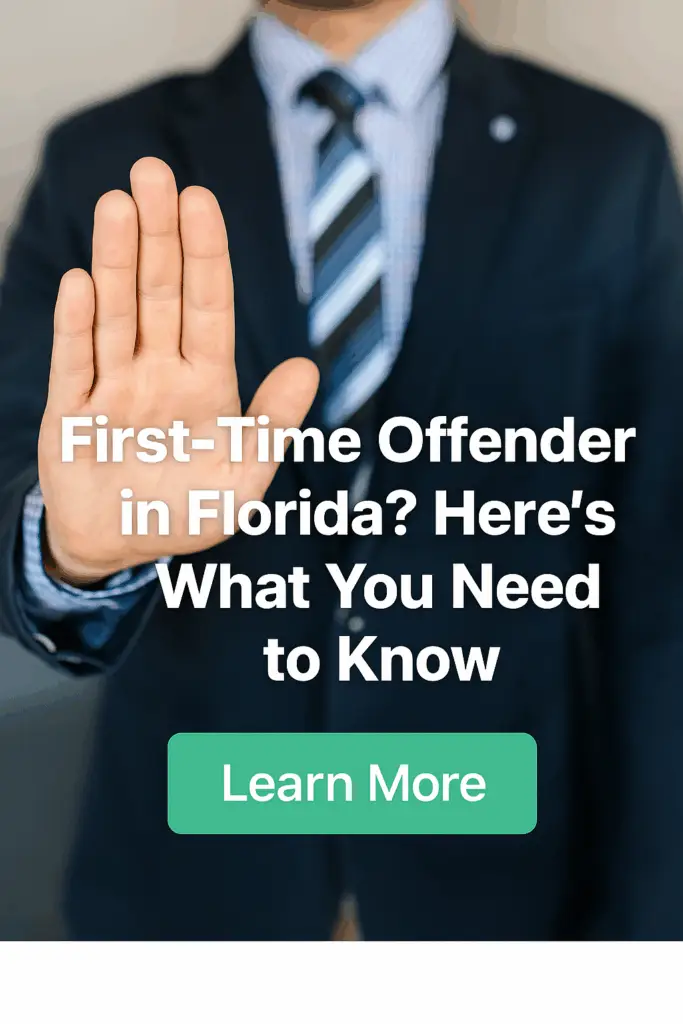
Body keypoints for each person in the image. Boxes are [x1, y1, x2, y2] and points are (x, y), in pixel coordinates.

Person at [1, 0, 683, 940]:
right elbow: (16, 485)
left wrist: (650, 932)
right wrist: (72, 551)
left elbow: (656, 581)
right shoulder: (103, 161)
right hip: (192, 877)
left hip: (507, 877)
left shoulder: (608, 156)